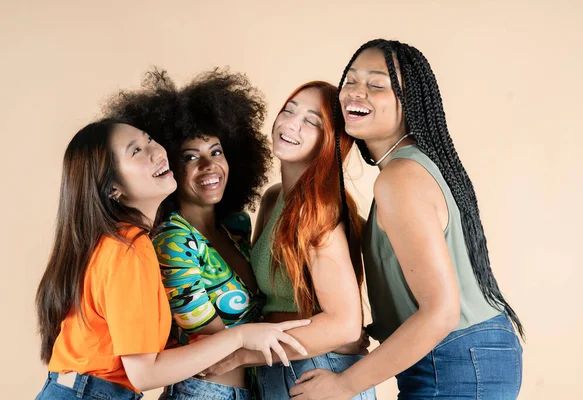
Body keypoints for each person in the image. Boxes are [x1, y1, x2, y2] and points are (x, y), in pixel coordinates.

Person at [290, 39, 524, 400]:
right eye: (350, 81)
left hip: (456, 356)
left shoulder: (399, 178)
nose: (355, 93)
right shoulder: (410, 167)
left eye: (376, 85)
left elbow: (441, 313)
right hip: (467, 354)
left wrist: (343, 385)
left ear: (409, 100)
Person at [35, 119, 309, 400]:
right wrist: (240, 337)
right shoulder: (128, 248)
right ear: (113, 188)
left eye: (150, 139)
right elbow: (144, 374)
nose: (156, 152)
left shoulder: (125, 241)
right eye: (136, 151)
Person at [106, 68, 272, 399]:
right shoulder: (172, 241)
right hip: (204, 393)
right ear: (168, 165)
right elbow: (211, 345)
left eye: (216, 151)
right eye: (190, 157)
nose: (209, 166)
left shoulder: (236, 227)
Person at [206, 81, 376, 400]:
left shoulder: (313, 214)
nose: (291, 124)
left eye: (312, 121)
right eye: (289, 110)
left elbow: (345, 326)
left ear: (331, 142)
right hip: (283, 368)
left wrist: (244, 354)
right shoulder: (276, 198)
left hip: (314, 372)